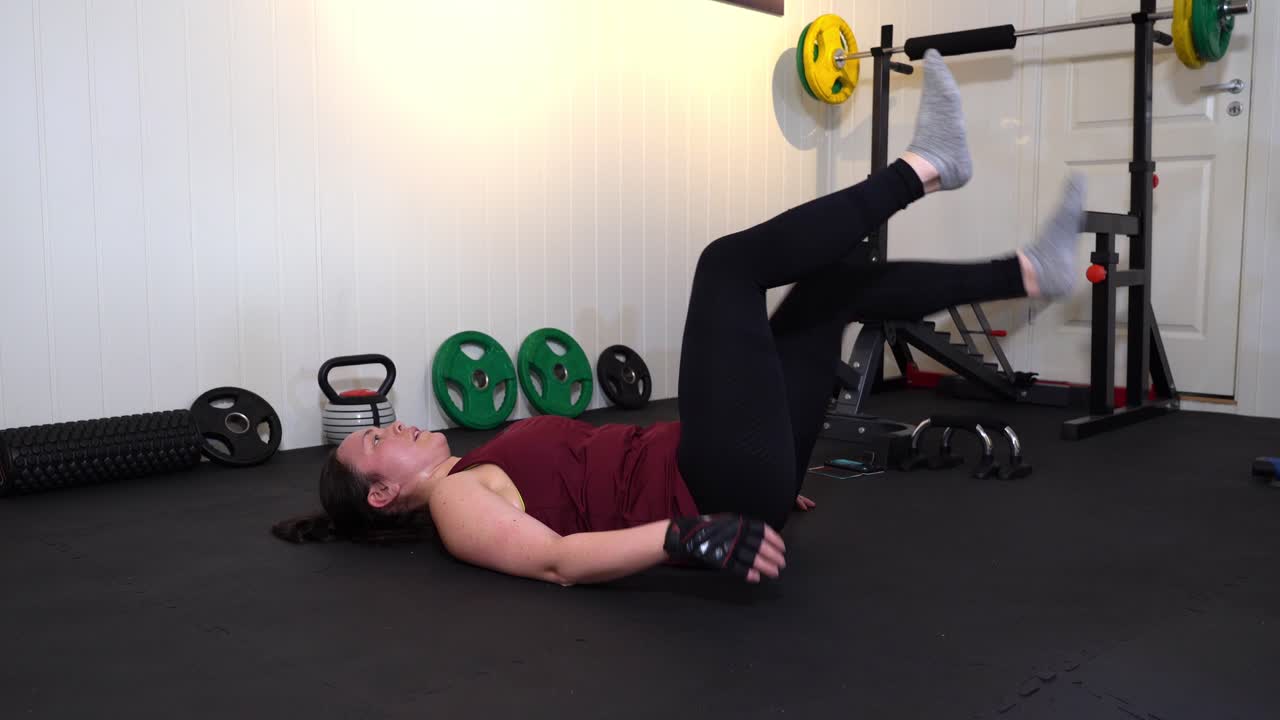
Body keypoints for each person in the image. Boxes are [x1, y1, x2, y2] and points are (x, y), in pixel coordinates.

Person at [273, 51, 1087, 587]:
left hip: (732, 473)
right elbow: (555, 561)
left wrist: (759, 465)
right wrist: (687, 536)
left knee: (830, 294)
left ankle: (1026, 271)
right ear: (383, 496)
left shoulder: (476, 460)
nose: (400, 426)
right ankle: (927, 166)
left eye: (382, 426)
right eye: (378, 441)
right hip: (711, 487)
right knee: (726, 267)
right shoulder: (454, 507)